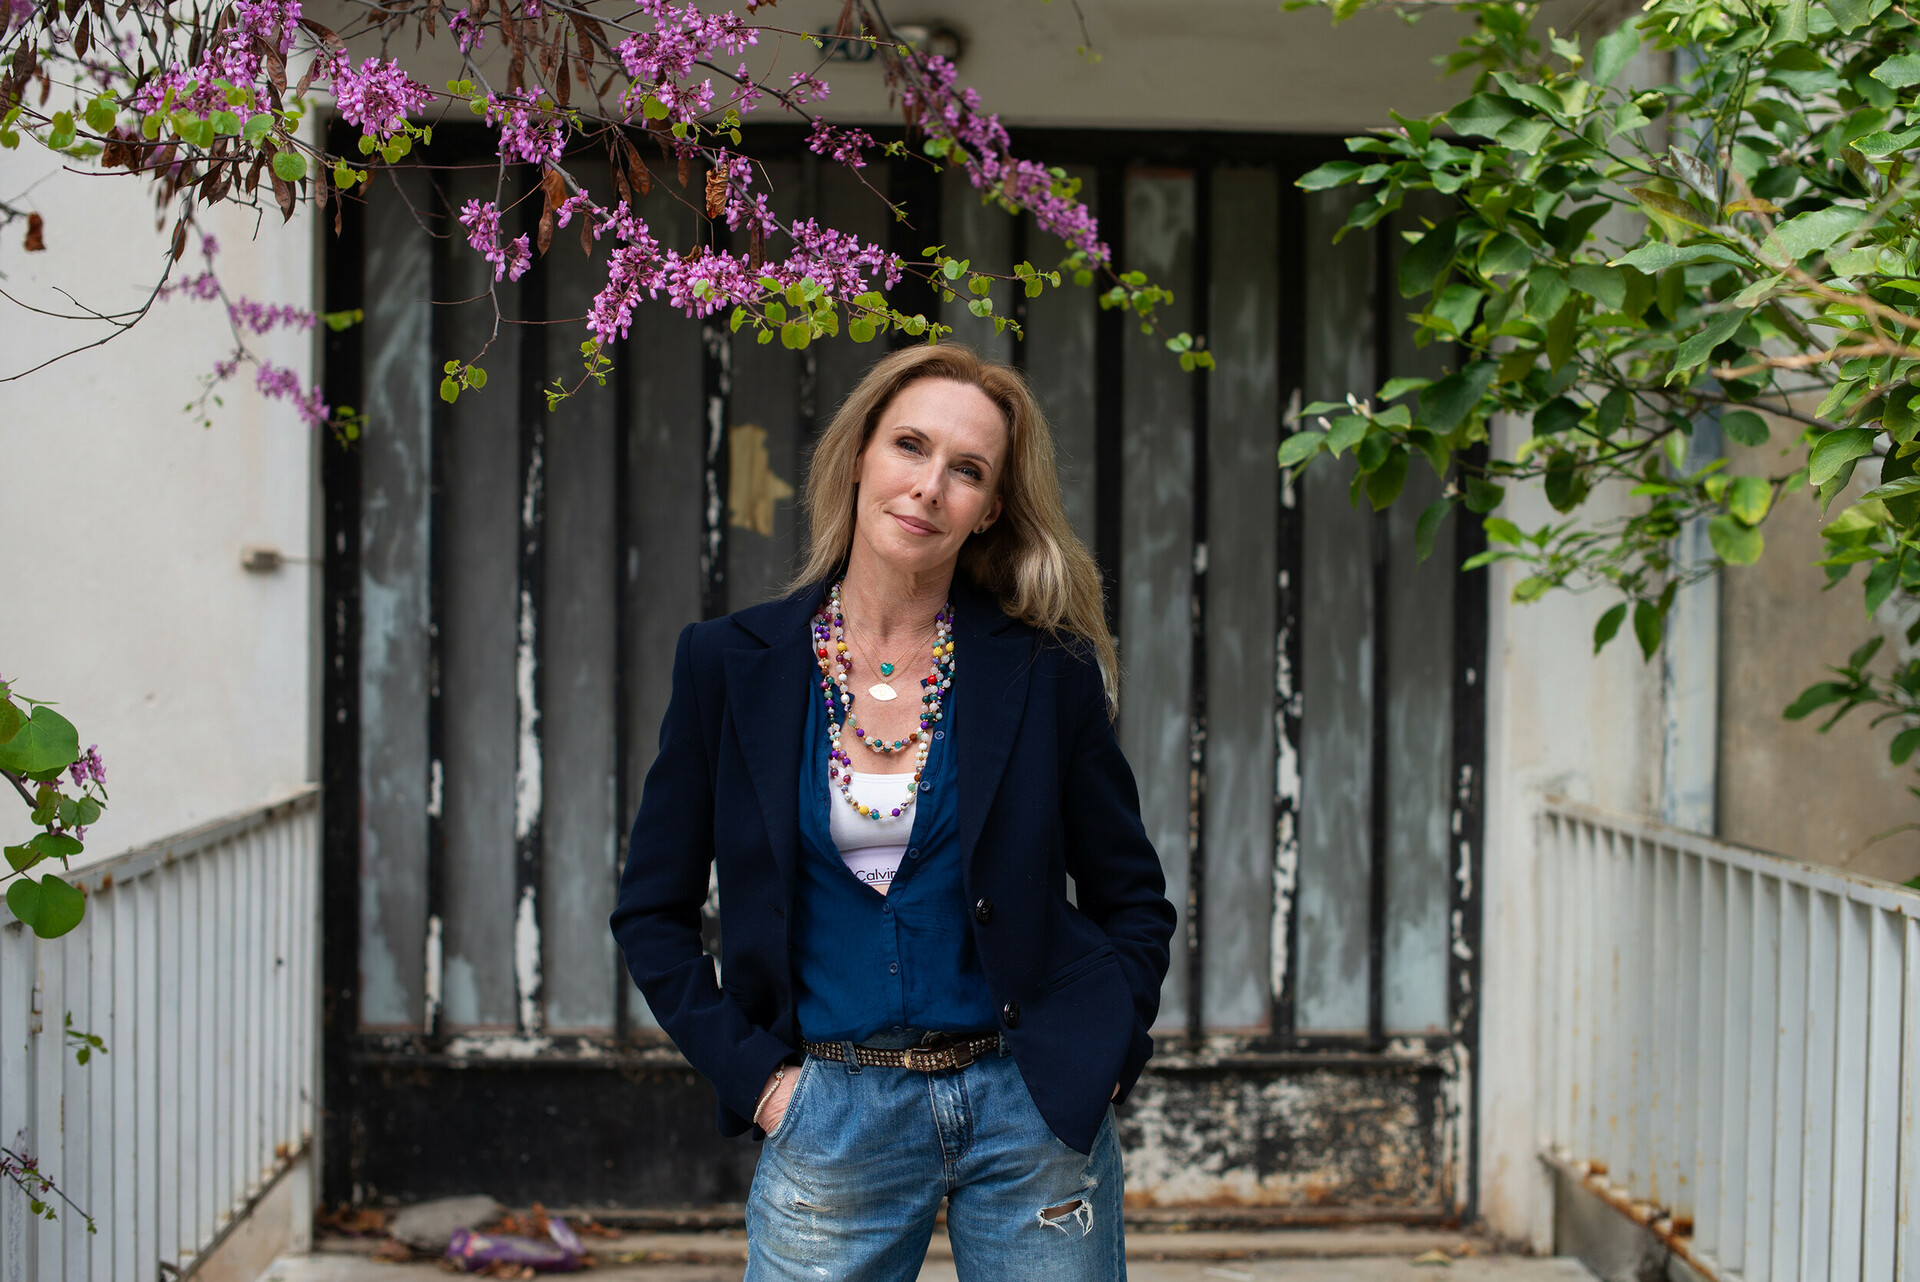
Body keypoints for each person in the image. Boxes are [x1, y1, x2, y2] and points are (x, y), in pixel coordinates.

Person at [610, 343, 1176, 1281]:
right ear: (858, 456)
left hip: (1031, 1111)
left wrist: (1109, 1047)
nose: (928, 487)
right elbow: (650, 914)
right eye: (910, 446)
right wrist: (762, 1084)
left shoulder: (1047, 671)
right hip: (830, 1118)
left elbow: (1133, 898)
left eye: (968, 470)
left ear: (990, 509)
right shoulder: (729, 665)